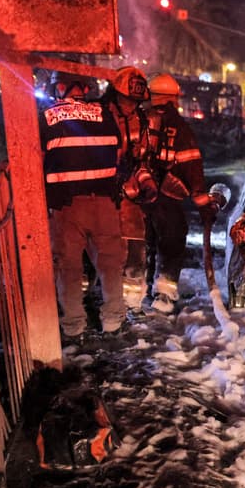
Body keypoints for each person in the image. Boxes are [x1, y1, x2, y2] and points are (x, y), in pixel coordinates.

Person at [39, 70, 126, 340]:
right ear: (85, 89)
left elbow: (37, 156)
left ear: (61, 87)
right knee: (110, 263)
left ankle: (73, 325)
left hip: (66, 205)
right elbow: (119, 151)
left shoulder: (46, 116)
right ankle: (113, 320)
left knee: (69, 266)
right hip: (104, 203)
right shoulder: (105, 113)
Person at [130, 72, 209, 313]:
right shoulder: (181, 128)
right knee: (171, 244)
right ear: (173, 98)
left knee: (142, 244)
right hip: (169, 199)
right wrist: (203, 205)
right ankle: (163, 296)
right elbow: (192, 167)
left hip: (138, 198)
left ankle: (132, 299)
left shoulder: (136, 121)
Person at [102, 66, 151, 307]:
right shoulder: (101, 115)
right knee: (104, 254)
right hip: (103, 196)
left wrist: (146, 182)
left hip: (129, 198)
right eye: (128, 100)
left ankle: (132, 304)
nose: (133, 105)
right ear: (116, 95)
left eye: (136, 101)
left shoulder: (139, 120)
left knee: (135, 247)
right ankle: (103, 302)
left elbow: (140, 159)